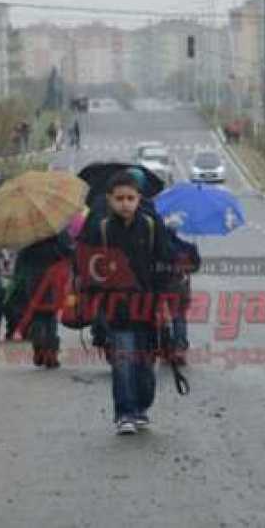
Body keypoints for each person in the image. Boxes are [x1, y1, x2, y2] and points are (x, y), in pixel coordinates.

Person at [77, 170, 171, 435]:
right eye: (119, 198)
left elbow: (165, 263)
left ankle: (141, 407)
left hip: (147, 307)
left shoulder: (151, 226)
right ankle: (125, 413)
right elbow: (84, 263)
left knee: (145, 364)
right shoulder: (101, 229)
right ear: (109, 199)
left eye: (130, 198)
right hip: (115, 308)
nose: (125, 204)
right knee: (123, 362)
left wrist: (164, 300)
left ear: (139, 199)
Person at [5, 231, 73, 368]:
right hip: (53, 281)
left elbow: (21, 262)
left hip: (32, 280)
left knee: (37, 315)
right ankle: (51, 355)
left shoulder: (28, 234)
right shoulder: (57, 233)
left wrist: (18, 279)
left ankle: (39, 346)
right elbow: (68, 253)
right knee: (51, 318)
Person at [164, 223, 200, 366]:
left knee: (160, 317)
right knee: (179, 316)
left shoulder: (157, 247)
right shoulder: (187, 247)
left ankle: (166, 346)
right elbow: (195, 267)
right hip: (181, 286)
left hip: (160, 286)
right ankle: (179, 348)